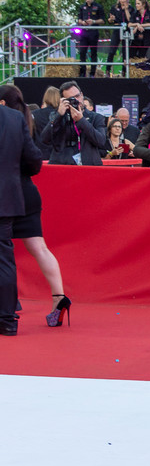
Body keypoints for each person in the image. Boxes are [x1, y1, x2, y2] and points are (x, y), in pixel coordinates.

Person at [0, 86, 71, 328]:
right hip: (25, 192)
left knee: (4, 255)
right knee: (39, 248)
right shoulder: (22, 121)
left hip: (7, 197)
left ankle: (8, 303)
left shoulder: (12, 121)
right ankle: (59, 297)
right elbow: (34, 160)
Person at [0, 88, 44, 336]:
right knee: (3, 259)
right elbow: (34, 159)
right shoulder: (15, 118)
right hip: (5, 199)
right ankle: (7, 319)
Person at [38, 81, 107, 166]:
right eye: (71, 99)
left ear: (82, 95)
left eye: (77, 96)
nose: (76, 100)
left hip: (88, 165)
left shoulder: (96, 117)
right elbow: (45, 139)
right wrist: (58, 116)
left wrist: (82, 120)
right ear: (64, 100)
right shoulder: (57, 115)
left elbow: (101, 141)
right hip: (62, 165)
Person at [76, 0, 106, 78]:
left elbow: (103, 20)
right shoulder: (82, 7)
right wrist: (82, 22)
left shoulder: (98, 7)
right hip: (84, 32)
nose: (88, 0)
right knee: (82, 52)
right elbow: (79, 19)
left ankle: (92, 73)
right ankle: (82, 72)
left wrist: (93, 21)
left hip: (93, 32)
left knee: (93, 52)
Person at [105, 0, 136, 77]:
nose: (122, 1)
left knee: (125, 52)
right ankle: (107, 70)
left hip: (126, 29)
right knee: (112, 51)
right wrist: (111, 19)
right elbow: (109, 20)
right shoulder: (114, 8)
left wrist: (126, 9)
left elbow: (130, 19)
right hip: (117, 29)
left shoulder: (131, 8)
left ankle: (124, 71)